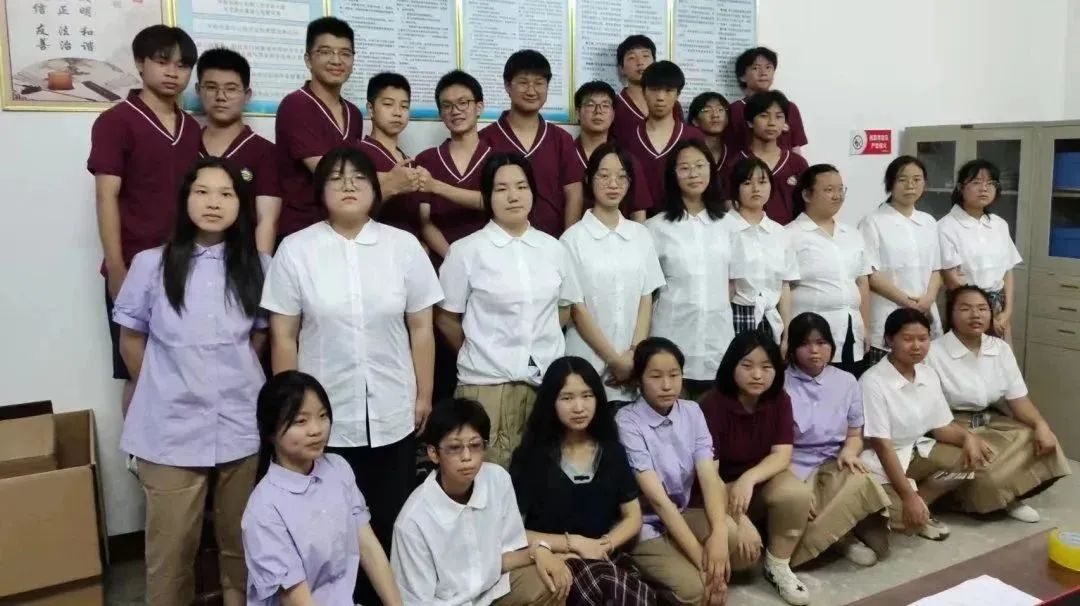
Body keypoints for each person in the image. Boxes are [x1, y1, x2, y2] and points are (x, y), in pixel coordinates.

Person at [261, 147, 443, 605]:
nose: (348, 185)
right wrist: (290, 414)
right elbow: (284, 335)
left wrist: (424, 394)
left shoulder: (403, 247)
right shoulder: (296, 249)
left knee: (391, 520)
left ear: (375, 189)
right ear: (320, 191)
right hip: (325, 420)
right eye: (336, 178)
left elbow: (422, 328)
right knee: (332, 530)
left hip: (393, 410)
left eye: (359, 177)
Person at [112, 158, 268, 606]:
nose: (213, 203)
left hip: (240, 423)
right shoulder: (150, 265)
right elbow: (131, 340)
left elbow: (259, 335)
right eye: (202, 192)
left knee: (241, 544)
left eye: (226, 194)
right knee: (171, 554)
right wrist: (165, 387)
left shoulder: (259, 265)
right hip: (169, 428)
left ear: (241, 205)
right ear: (185, 201)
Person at [436, 153, 583, 468]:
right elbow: (447, 319)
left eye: (521, 186)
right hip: (485, 385)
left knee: (541, 476)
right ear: (487, 196)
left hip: (544, 384)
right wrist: (481, 351)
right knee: (484, 477)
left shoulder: (554, 249)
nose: (513, 196)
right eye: (501, 189)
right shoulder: (466, 251)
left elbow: (564, 309)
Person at [88, 25, 200, 417]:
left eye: (183, 65)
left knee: (184, 367)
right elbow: (106, 196)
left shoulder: (190, 128)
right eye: (162, 61)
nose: (173, 72)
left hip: (184, 266)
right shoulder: (116, 121)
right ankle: (139, 451)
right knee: (138, 373)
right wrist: (117, 267)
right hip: (134, 266)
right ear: (140, 63)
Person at [242, 372, 402, 605]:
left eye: (323, 415)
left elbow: (369, 548)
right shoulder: (264, 508)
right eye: (301, 421)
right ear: (270, 431)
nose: (316, 430)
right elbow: (296, 598)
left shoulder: (338, 468)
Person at [508, 357, 656, 605]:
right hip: (554, 559)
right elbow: (514, 531)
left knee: (617, 584)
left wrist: (603, 545)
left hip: (603, 556)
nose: (579, 407)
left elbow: (633, 517)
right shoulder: (531, 457)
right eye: (567, 398)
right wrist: (574, 544)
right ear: (551, 402)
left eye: (587, 396)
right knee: (606, 583)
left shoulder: (612, 452)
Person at [392, 398, 568, 606]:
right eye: (455, 448)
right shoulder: (412, 522)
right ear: (433, 453)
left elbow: (506, 555)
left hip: (492, 592)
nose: (467, 456)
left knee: (551, 580)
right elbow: (415, 601)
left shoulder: (497, 479)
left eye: (475, 445)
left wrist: (539, 551)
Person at [617, 338, 752, 606]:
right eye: (656, 376)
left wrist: (718, 535)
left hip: (682, 512)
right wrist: (703, 563)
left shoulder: (691, 411)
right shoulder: (627, 421)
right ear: (639, 380)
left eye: (674, 375)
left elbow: (708, 476)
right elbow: (658, 501)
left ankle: (688, 563)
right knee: (696, 590)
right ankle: (638, 569)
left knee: (736, 543)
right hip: (646, 525)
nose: (667, 385)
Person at [926, 286, 1071, 522]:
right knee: (977, 462)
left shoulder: (999, 348)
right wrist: (965, 437)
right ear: (950, 314)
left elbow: (1018, 400)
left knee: (1033, 437)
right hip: (951, 425)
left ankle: (1007, 496)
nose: (976, 315)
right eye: (965, 309)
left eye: (982, 309)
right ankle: (986, 499)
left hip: (991, 420)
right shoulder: (933, 352)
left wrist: (1041, 425)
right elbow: (933, 416)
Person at [861, 308, 993, 542]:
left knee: (969, 460)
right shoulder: (873, 382)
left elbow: (941, 427)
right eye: (908, 339)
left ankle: (921, 506)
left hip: (916, 451)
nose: (916, 346)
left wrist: (968, 438)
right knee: (894, 519)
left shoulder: (927, 374)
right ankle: (910, 507)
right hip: (882, 460)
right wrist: (907, 496)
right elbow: (882, 446)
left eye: (923, 339)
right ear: (889, 340)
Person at [700, 331, 812, 605]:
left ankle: (778, 565)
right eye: (747, 366)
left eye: (766, 367)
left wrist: (748, 479)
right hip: (716, 491)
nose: (757, 375)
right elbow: (708, 474)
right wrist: (738, 516)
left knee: (796, 494)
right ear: (732, 366)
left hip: (756, 483)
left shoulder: (780, 399)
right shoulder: (712, 405)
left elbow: (782, 455)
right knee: (742, 558)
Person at [276, 18, 412, 241]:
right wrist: (392, 179)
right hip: (304, 229)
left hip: (344, 227)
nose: (336, 60)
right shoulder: (296, 105)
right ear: (308, 59)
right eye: (325, 52)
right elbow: (328, 171)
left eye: (345, 53)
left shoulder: (353, 113)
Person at [784, 312, 891, 567]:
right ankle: (839, 539)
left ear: (831, 345)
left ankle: (838, 534)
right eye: (805, 344)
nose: (814, 351)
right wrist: (792, 481)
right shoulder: (780, 383)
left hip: (834, 458)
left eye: (821, 343)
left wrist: (850, 451)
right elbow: (773, 447)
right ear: (793, 349)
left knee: (863, 481)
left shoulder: (846, 381)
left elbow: (854, 433)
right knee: (798, 502)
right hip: (792, 463)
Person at [561, 143, 665, 404]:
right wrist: (614, 360)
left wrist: (633, 353)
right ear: (589, 179)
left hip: (632, 366)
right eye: (604, 175)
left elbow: (646, 298)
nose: (613, 184)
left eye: (621, 177)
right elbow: (576, 308)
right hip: (586, 360)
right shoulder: (572, 239)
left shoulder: (640, 235)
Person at [647, 140, 733, 401]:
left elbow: (733, 284)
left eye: (699, 166)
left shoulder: (729, 225)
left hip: (717, 340)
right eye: (684, 168)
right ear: (673, 175)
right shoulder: (655, 228)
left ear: (711, 170)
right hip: (672, 336)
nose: (693, 173)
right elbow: (647, 293)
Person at [480, 50, 583, 237]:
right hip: (502, 243)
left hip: (553, 241)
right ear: (507, 86)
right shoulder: (486, 139)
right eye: (523, 82)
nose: (531, 90)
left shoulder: (561, 139)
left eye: (539, 83)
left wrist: (567, 241)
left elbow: (574, 193)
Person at [787, 164, 871, 377]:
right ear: (806, 194)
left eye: (841, 189)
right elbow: (784, 288)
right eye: (829, 190)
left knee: (847, 388)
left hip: (850, 330)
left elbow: (862, 282)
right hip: (810, 338)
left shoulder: (852, 234)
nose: (837, 195)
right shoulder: (789, 235)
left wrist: (865, 327)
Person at [195, 48, 280, 254]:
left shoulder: (265, 152)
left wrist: (260, 269)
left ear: (246, 95)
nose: (221, 97)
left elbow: (266, 222)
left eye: (231, 89)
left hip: (242, 261)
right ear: (198, 90)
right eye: (211, 87)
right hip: (187, 260)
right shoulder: (185, 145)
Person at [860, 156, 943, 365]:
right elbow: (870, 273)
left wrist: (928, 299)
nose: (910, 185)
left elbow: (936, 268)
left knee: (923, 375)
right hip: (888, 312)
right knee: (887, 374)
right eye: (902, 179)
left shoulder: (928, 222)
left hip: (925, 311)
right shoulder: (872, 222)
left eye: (917, 179)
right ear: (890, 183)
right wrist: (907, 303)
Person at [938, 159, 1022, 343]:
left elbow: (1007, 272)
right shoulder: (946, 226)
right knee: (965, 357)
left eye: (990, 183)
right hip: (966, 309)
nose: (984, 188)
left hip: (998, 311)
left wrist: (1006, 313)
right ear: (960, 188)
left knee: (999, 357)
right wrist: (984, 313)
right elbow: (952, 280)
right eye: (976, 182)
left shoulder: (999, 224)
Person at [416, 70, 491, 266]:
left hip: (491, 261)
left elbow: (494, 202)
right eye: (447, 105)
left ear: (479, 107)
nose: (455, 111)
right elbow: (424, 221)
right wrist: (453, 258)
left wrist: (436, 186)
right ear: (441, 113)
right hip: (443, 263)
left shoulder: (498, 159)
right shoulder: (426, 159)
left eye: (463, 102)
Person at [724, 156, 798, 349]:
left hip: (771, 318)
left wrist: (787, 336)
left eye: (762, 182)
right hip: (733, 315)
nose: (756, 188)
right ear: (736, 188)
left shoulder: (780, 233)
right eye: (747, 183)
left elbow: (784, 287)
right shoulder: (723, 228)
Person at [622, 61, 704, 216]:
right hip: (638, 223)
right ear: (644, 92)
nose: (660, 97)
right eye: (654, 90)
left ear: (678, 94)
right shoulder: (628, 137)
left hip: (684, 221)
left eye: (668, 91)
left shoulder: (693, 136)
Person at [720, 91, 808, 225]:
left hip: (791, 234)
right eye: (764, 116)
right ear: (750, 122)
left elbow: (808, 206)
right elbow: (729, 207)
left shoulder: (798, 163)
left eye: (779, 116)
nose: (772, 123)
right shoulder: (734, 164)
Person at [574, 80, 651, 222]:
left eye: (605, 105)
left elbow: (638, 211)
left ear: (613, 114)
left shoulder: (626, 158)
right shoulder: (566, 154)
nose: (598, 111)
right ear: (577, 112)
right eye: (590, 105)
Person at [360, 72, 421, 237]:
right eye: (388, 104)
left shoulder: (409, 161)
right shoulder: (357, 155)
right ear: (371, 109)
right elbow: (351, 212)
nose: (397, 113)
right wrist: (392, 186)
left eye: (404, 106)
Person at [726, 47, 808, 154]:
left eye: (768, 67)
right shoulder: (735, 109)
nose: (763, 73)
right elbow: (730, 148)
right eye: (756, 68)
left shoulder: (789, 107)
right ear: (742, 76)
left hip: (784, 164)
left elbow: (795, 148)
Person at [612, 34, 684, 146]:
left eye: (645, 56)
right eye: (632, 57)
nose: (640, 62)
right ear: (621, 69)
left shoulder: (672, 104)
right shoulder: (614, 105)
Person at [688, 91, 731, 171]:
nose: (715, 115)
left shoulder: (733, 152)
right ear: (695, 120)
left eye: (720, 109)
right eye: (706, 110)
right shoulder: (687, 152)